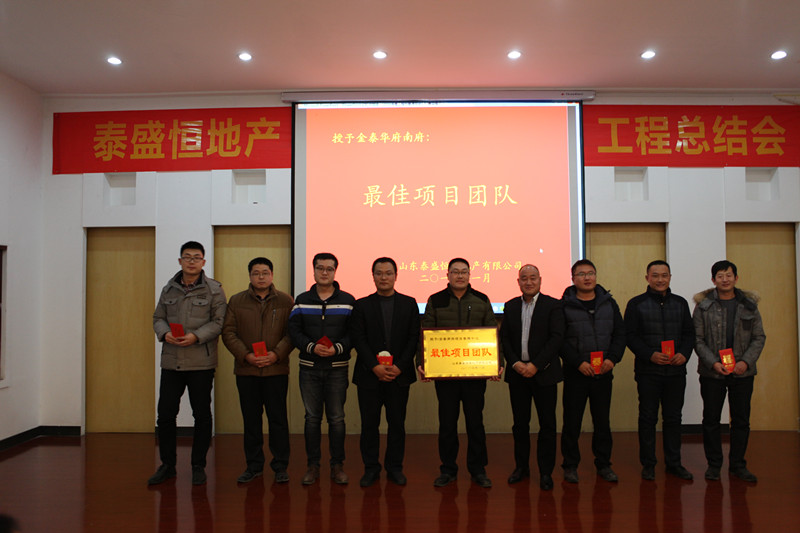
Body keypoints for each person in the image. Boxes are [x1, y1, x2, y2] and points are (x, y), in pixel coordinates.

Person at [417, 258, 500, 488]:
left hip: (474, 374)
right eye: (455, 272)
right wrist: (422, 363)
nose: (460, 276)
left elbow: (493, 332)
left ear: (470, 275)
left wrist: (497, 363)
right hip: (446, 375)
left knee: (475, 423)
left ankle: (478, 470)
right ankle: (448, 469)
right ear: (448, 275)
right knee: (447, 424)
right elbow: (425, 332)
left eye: (464, 272)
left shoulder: (481, 299)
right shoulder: (436, 300)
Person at [150, 241, 227, 486]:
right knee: (165, 415)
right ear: (180, 261)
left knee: (202, 415)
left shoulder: (214, 290)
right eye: (187, 257)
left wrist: (196, 336)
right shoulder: (169, 289)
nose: (191, 261)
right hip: (172, 362)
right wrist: (164, 333)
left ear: (203, 262)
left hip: (201, 362)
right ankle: (167, 465)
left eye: (196, 257)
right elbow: (158, 317)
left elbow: (219, 322)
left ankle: (198, 465)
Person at [222, 257, 294, 484]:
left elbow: (292, 333)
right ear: (250, 276)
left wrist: (276, 354)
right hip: (247, 371)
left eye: (265, 272)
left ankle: (280, 466)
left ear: (272, 275)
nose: (261, 277)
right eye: (256, 273)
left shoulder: (285, 301)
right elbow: (228, 332)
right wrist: (246, 356)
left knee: (278, 420)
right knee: (251, 421)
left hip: (276, 370)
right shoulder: (236, 301)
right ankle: (253, 466)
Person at [693, 260, 765, 483]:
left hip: (743, 372)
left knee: (741, 420)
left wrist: (746, 362)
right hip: (712, 373)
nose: (725, 279)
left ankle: (738, 465)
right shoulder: (703, 306)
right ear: (713, 280)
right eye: (720, 276)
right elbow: (698, 340)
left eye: (729, 275)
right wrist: (714, 363)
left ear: (736, 278)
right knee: (711, 419)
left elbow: (758, 337)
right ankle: (714, 465)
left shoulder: (749, 305)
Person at [351, 257, 420, 487]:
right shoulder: (361, 305)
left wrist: (400, 366)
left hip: (399, 376)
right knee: (369, 425)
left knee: (397, 424)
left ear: (396, 276)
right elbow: (358, 339)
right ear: (373, 276)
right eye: (379, 273)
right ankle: (371, 468)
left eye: (388, 273)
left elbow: (413, 338)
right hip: (369, 375)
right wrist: (375, 366)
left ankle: (394, 468)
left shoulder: (409, 303)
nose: (383, 277)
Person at [624, 260, 695, 481]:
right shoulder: (636, 304)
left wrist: (684, 354)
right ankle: (648, 464)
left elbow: (689, 334)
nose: (660, 279)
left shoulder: (681, 303)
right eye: (655, 275)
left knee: (673, 418)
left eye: (664, 275)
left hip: (675, 371)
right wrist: (649, 354)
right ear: (647, 278)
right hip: (648, 372)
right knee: (647, 418)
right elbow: (630, 336)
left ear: (670, 277)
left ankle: (674, 463)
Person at [289, 252, 355, 485]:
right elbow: (294, 331)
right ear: (314, 270)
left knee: (337, 419)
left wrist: (337, 348)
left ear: (335, 271)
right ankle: (313, 466)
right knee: (312, 418)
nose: (324, 272)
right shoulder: (302, 299)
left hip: (337, 368)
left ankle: (337, 466)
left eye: (329, 268)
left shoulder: (348, 300)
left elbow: (354, 333)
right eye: (320, 268)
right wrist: (310, 347)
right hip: (309, 368)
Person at [560, 259, 625, 483]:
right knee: (572, 422)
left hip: (603, 372)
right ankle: (570, 465)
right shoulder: (564, 305)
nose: (587, 278)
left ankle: (604, 464)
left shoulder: (609, 303)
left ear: (596, 276)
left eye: (591, 273)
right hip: (576, 373)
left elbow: (620, 334)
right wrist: (578, 362)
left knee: (602, 422)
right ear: (573, 278)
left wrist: (612, 359)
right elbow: (560, 340)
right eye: (581, 274)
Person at [500, 264, 564, 490]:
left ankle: (546, 472)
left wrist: (535, 365)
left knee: (547, 424)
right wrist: (516, 363)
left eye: (533, 278)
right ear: (518, 282)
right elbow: (505, 338)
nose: (528, 282)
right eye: (524, 278)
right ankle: (521, 468)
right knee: (520, 424)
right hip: (518, 375)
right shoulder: (510, 306)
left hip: (544, 374)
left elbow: (557, 339)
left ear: (540, 280)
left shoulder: (553, 305)